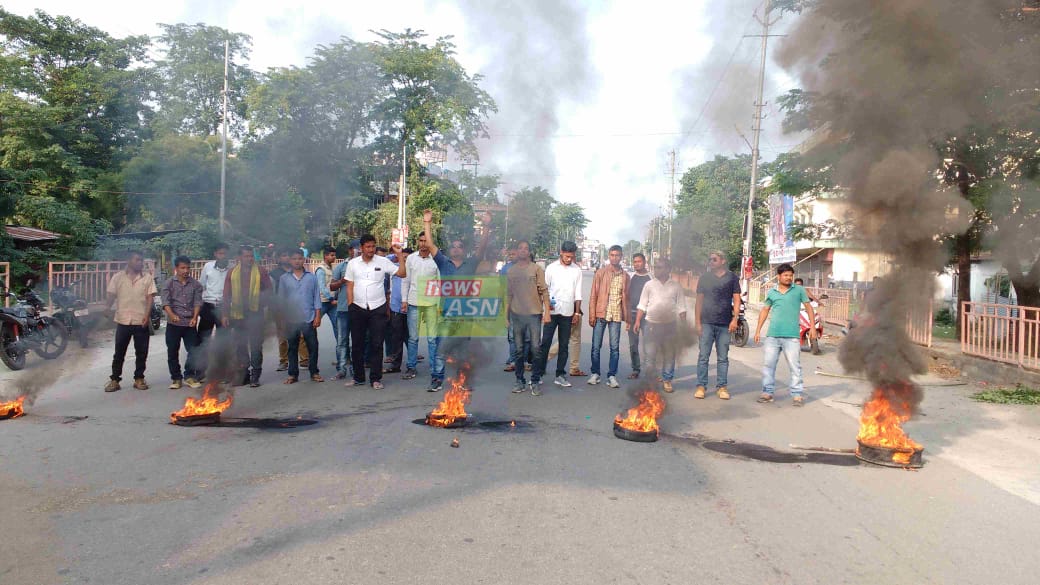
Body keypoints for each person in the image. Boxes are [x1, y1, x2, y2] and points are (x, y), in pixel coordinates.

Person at [343, 235, 406, 389]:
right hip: (357, 307)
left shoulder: (383, 261)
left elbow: (402, 273)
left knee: (377, 344)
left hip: (378, 307)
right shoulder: (353, 264)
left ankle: (375, 379)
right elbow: (349, 286)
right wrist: (351, 306)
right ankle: (358, 377)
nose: (371, 250)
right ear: (362, 248)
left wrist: (399, 255)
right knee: (357, 344)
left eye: (373, 246)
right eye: (368, 247)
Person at [754, 263, 817, 406]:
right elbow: (765, 310)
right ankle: (767, 392)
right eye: (786, 275)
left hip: (792, 336)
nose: (789, 278)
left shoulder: (799, 290)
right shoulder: (772, 292)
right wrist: (758, 330)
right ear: (779, 276)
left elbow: (809, 308)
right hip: (773, 336)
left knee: (795, 366)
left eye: (790, 275)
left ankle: (797, 394)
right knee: (768, 365)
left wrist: (812, 327)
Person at [402, 210, 445, 390]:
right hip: (413, 302)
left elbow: (441, 283)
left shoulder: (436, 261)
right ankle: (411, 367)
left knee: (432, 339)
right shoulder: (411, 259)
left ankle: (435, 369)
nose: (422, 244)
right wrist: (404, 300)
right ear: (417, 242)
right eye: (420, 241)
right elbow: (406, 280)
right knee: (412, 338)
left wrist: (440, 305)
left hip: (432, 304)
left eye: (425, 240)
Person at [104, 250, 158, 392]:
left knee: (142, 352)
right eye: (137, 260)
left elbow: (150, 298)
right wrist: (106, 308)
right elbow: (111, 295)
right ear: (129, 261)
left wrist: (147, 315)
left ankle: (139, 378)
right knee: (119, 352)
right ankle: (115, 380)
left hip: (141, 320)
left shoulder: (147, 278)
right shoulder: (118, 277)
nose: (140, 263)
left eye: (141, 260)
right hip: (123, 320)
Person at [632, 257, 687, 393]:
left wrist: (684, 327)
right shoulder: (649, 285)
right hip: (651, 325)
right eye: (655, 267)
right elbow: (642, 304)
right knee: (650, 356)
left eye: (660, 267)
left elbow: (681, 307)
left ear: (668, 269)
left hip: (670, 326)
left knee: (669, 355)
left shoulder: (676, 286)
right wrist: (638, 321)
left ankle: (667, 380)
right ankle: (650, 381)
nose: (656, 270)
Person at [222, 245, 272, 387]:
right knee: (240, 345)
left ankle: (255, 375)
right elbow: (226, 295)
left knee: (256, 345)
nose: (249, 259)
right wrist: (225, 314)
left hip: (256, 313)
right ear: (239, 258)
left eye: (251, 256)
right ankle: (244, 375)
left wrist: (264, 305)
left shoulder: (261, 272)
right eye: (246, 256)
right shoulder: (232, 273)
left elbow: (269, 292)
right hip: (237, 314)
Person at [535, 241, 583, 389]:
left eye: (572, 257)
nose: (569, 259)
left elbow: (578, 293)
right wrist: (546, 310)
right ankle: (540, 373)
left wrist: (576, 312)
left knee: (564, 345)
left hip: (568, 313)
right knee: (546, 343)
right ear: (561, 252)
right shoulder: (551, 269)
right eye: (567, 256)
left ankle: (560, 375)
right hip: (552, 312)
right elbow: (544, 290)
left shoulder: (577, 270)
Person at [694, 250, 741, 400]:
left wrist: (735, 319)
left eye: (714, 259)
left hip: (725, 323)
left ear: (722, 261)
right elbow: (699, 301)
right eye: (709, 259)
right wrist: (697, 323)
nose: (711, 262)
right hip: (706, 322)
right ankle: (701, 386)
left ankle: (722, 387)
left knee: (723, 357)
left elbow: (737, 299)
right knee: (703, 356)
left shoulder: (732, 278)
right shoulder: (705, 278)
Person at [506, 240, 550, 395]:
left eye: (526, 248)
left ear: (530, 252)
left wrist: (547, 313)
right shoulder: (511, 271)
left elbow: (544, 291)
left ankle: (535, 380)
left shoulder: (536, 269)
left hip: (534, 314)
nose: (523, 251)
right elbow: (508, 294)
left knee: (535, 348)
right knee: (518, 350)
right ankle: (519, 381)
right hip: (517, 315)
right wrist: (506, 316)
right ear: (517, 251)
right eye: (520, 248)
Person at [587, 244, 630, 388]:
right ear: (608, 256)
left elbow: (627, 298)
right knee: (595, 346)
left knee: (614, 347)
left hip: (616, 316)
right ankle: (595, 373)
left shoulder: (625, 276)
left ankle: (612, 375)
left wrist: (628, 318)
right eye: (612, 255)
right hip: (601, 314)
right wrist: (592, 315)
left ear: (621, 257)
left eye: (617, 255)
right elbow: (593, 295)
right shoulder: (600, 273)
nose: (614, 258)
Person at [278, 249, 323, 384]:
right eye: (294, 259)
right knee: (292, 347)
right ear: (290, 260)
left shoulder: (311, 277)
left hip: (308, 317)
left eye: (299, 258)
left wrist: (318, 316)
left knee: (313, 346)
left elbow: (316, 297)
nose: (297, 261)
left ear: (304, 260)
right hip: (292, 319)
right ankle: (292, 374)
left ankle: (314, 372)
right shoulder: (284, 278)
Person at [161, 256, 204, 390]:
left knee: (193, 350)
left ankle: (189, 376)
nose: (186, 271)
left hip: (189, 323)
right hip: (174, 323)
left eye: (188, 268)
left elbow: (197, 302)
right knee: (172, 351)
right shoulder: (169, 284)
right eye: (183, 268)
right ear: (176, 269)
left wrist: (195, 317)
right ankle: (176, 378)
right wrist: (172, 315)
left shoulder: (196, 284)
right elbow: (166, 302)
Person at [270, 249, 308, 371]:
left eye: (288, 255)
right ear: (279, 258)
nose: (286, 258)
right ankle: (284, 361)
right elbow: (271, 292)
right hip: (281, 308)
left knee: (302, 334)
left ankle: (304, 360)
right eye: (283, 255)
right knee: (282, 335)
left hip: (298, 307)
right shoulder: (274, 274)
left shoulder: (298, 272)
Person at [329, 247, 356, 380]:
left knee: (358, 341)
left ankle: (355, 369)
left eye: (358, 249)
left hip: (359, 309)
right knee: (341, 341)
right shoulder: (341, 266)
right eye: (353, 249)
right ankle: (341, 369)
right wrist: (342, 281)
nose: (356, 252)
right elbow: (332, 286)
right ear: (349, 250)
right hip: (343, 309)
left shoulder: (364, 266)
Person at [625, 253, 652, 380]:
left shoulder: (651, 279)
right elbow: (626, 298)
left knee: (649, 345)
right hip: (632, 315)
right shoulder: (631, 277)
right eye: (634, 262)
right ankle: (636, 369)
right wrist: (627, 318)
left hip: (648, 317)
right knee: (633, 345)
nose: (637, 264)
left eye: (639, 261)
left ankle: (650, 371)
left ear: (645, 262)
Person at [384, 248, 411, 374]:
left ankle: (412, 364)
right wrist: (398, 254)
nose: (404, 260)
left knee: (411, 337)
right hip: (396, 308)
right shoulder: (394, 268)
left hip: (411, 308)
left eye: (407, 257)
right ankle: (396, 365)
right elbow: (384, 259)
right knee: (396, 337)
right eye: (403, 257)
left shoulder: (414, 270)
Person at [314, 246, 339, 345]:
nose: (334, 257)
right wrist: (330, 298)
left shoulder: (333, 268)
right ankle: (308, 353)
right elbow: (321, 286)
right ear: (325, 256)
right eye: (332, 255)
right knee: (313, 324)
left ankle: (342, 357)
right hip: (322, 302)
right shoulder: (321, 269)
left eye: (334, 255)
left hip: (332, 303)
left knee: (338, 327)